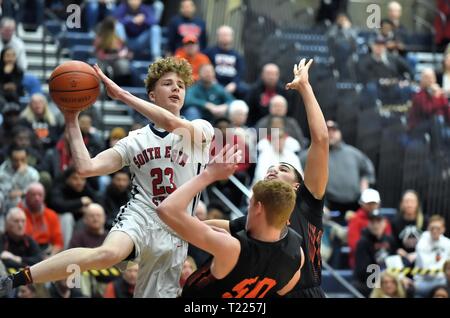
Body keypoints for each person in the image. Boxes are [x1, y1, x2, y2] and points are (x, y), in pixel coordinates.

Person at [0, 57, 214, 298]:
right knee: (107, 254)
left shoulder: (201, 128)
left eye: (180, 85)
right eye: (167, 83)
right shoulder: (135, 139)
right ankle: (13, 279)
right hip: (141, 214)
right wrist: (71, 120)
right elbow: (86, 168)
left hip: (176, 227)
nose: (176, 88)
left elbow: (173, 123)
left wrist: (122, 95)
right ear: (152, 95)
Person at [206, 59, 329, 298]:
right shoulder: (259, 213)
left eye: (282, 168)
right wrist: (179, 225)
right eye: (271, 168)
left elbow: (321, 140)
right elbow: (221, 228)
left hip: (305, 293)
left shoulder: (307, 201)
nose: (273, 169)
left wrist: (305, 88)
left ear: (297, 185)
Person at [156, 145, 304, 298]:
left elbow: (166, 210)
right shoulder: (297, 253)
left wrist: (208, 174)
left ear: (258, 208)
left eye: (250, 203)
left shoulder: (231, 247)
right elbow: (282, 290)